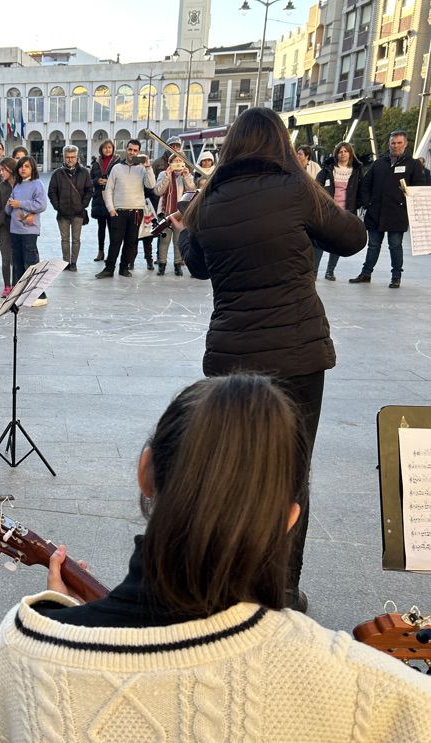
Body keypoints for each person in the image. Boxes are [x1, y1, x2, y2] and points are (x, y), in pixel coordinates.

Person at [0, 373, 431, 743]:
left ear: (145, 471)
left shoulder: (19, 647)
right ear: (289, 520)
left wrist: (71, 620)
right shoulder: (364, 686)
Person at [177, 106, 367, 611]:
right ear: (280, 144)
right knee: (293, 472)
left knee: (234, 469)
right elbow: (353, 238)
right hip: (298, 353)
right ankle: (281, 587)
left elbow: (194, 264)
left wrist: (183, 220)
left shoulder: (209, 199)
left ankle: (229, 580)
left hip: (231, 355)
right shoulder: (298, 188)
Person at [350, 130, 427, 289]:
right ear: (389, 144)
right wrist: (367, 203)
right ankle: (366, 273)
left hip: (397, 213)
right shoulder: (379, 163)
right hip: (375, 212)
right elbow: (365, 184)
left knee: (395, 246)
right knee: (373, 245)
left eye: (399, 143)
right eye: (393, 143)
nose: (396, 146)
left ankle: (396, 276)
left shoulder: (413, 165)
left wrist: (406, 201)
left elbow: (420, 188)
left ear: (405, 144)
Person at [98, 139, 156, 279]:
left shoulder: (143, 168)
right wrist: (111, 209)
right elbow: (109, 189)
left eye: (135, 150)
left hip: (136, 211)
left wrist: (148, 167)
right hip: (119, 210)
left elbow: (151, 185)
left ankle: (124, 268)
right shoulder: (117, 168)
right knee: (115, 242)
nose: (132, 153)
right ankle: (109, 268)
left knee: (131, 242)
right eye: (130, 149)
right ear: (126, 150)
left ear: (139, 152)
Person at [313, 141, 364, 280]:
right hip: (328, 211)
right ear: (336, 154)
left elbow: (361, 190)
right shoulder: (328, 169)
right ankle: (314, 271)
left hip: (345, 213)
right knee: (319, 242)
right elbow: (317, 186)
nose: (343, 154)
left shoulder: (356, 170)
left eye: (346, 151)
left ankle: (330, 271)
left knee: (337, 242)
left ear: (350, 153)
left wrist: (357, 205)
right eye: (340, 152)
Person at [7, 156, 48, 306]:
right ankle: (19, 294)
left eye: (26, 166)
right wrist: (9, 205)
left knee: (30, 262)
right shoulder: (17, 185)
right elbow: (10, 206)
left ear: (32, 169)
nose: (23, 169)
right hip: (15, 229)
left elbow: (41, 205)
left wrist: (20, 203)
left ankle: (40, 295)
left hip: (29, 230)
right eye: (21, 166)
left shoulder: (37, 184)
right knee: (17, 263)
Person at [48, 144, 93, 272]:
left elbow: (89, 190)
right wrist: (57, 207)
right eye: (67, 157)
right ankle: (66, 262)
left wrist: (83, 205)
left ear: (77, 157)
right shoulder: (57, 173)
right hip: (63, 213)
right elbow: (52, 191)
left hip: (78, 212)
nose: (70, 159)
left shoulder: (84, 172)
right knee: (65, 239)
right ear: (64, 157)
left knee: (76, 239)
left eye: (72, 157)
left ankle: (74, 262)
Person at [151, 150, 196, 276]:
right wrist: (167, 176)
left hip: (181, 213)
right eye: (175, 161)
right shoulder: (163, 174)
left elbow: (192, 191)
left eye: (180, 161)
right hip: (166, 212)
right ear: (170, 163)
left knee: (178, 240)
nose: (178, 163)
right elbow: (158, 191)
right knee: (164, 240)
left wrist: (186, 176)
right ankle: (162, 264)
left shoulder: (187, 175)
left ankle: (178, 264)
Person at [0, 157, 18, 298]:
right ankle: (7, 286)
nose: (1, 172)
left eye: (3, 169)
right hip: (4, 228)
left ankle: (18, 285)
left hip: (21, 227)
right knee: (6, 259)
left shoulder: (21, 185)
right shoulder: (0, 188)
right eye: (0, 170)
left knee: (18, 259)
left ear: (11, 169)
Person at [89, 139, 116, 262]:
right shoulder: (95, 163)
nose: (107, 150)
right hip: (99, 198)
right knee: (101, 227)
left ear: (113, 149)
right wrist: (97, 181)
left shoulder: (117, 162)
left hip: (113, 198)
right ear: (101, 149)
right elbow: (89, 180)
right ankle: (100, 252)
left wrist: (109, 182)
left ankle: (111, 253)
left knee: (112, 228)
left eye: (109, 147)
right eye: (105, 148)